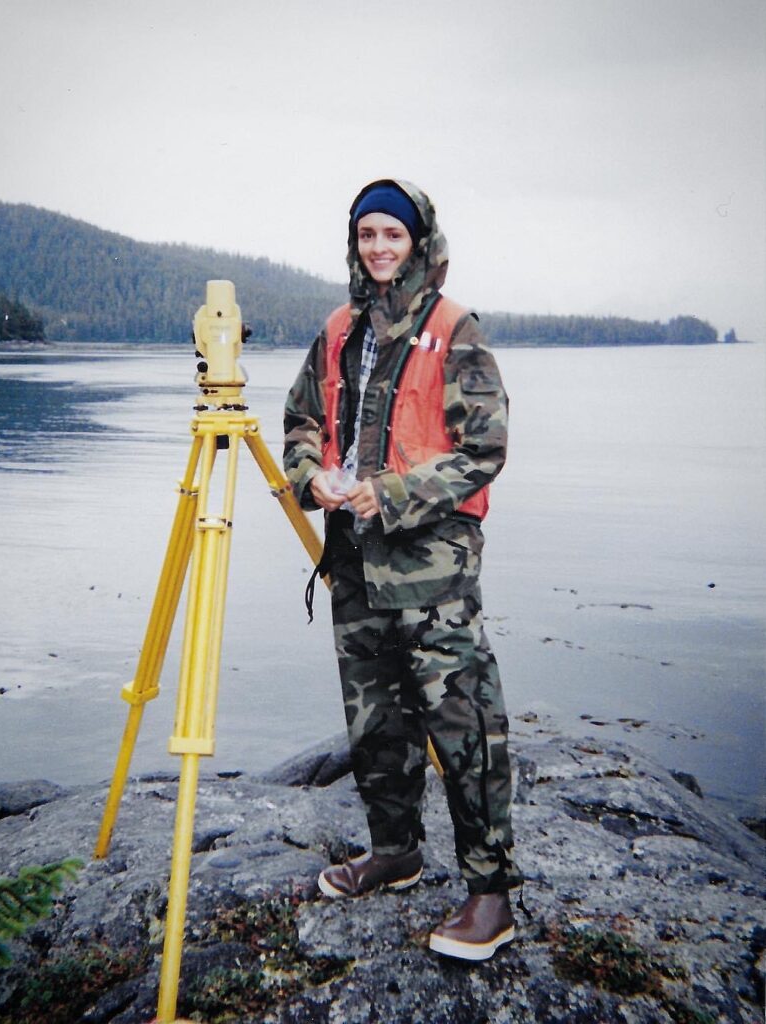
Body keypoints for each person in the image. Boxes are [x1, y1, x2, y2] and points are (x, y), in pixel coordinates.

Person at [283, 178, 521, 961]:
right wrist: (309, 474)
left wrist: (384, 494)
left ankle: (490, 896)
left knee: (463, 729)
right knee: (374, 723)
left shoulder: (457, 329)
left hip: (430, 570)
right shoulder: (338, 327)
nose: (379, 248)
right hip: (351, 563)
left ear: (418, 240)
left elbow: (481, 452)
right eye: (366, 235)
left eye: (393, 234)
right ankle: (394, 852)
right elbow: (301, 419)